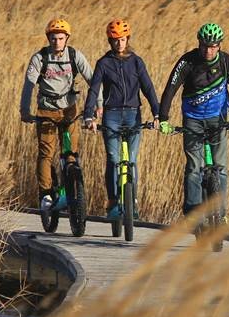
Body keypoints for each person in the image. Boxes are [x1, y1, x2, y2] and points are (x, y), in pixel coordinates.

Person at [157, 22, 229, 222]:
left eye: (212, 46)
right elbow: (170, 88)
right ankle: (193, 213)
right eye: (204, 46)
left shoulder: (227, 62)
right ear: (199, 44)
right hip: (192, 120)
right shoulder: (188, 62)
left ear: (219, 46)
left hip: (218, 120)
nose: (208, 51)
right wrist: (164, 118)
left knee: (221, 168)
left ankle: (221, 213)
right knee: (194, 167)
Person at [82, 19, 160, 219]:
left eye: (123, 39)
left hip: (133, 114)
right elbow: (94, 90)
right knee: (113, 159)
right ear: (110, 41)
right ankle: (113, 201)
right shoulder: (103, 63)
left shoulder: (136, 62)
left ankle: (133, 200)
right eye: (115, 40)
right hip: (112, 115)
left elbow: (148, 87)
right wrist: (88, 115)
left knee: (131, 160)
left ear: (128, 39)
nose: (119, 43)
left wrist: (158, 113)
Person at [19, 18, 94, 213]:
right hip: (47, 112)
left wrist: (98, 105)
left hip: (69, 111)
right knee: (46, 153)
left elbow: (93, 80)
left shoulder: (74, 55)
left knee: (71, 154)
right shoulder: (40, 58)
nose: (57, 42)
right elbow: (29, 85)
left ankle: (72, 192)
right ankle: (45, 194)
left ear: (67, 38)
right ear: (48, 38)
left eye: (60, 38)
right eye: (53, 38)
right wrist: (24, 110)